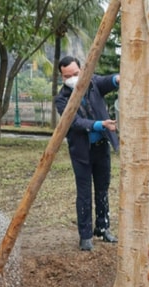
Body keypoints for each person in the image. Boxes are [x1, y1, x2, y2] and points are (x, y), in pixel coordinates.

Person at [55, 56, 120, 251]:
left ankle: (103, 227)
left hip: (101, 147)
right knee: (84, 193)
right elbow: (74, 122)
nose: (72, 78)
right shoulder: (61, 99)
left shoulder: (92, 83)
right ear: (62, 77)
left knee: (103, 188)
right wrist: (100, 125)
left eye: (75, 74)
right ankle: (85, 235)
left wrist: (118, 79)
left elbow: (108, 81)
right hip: (81, 152)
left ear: (82, 70)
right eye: (67, 76)